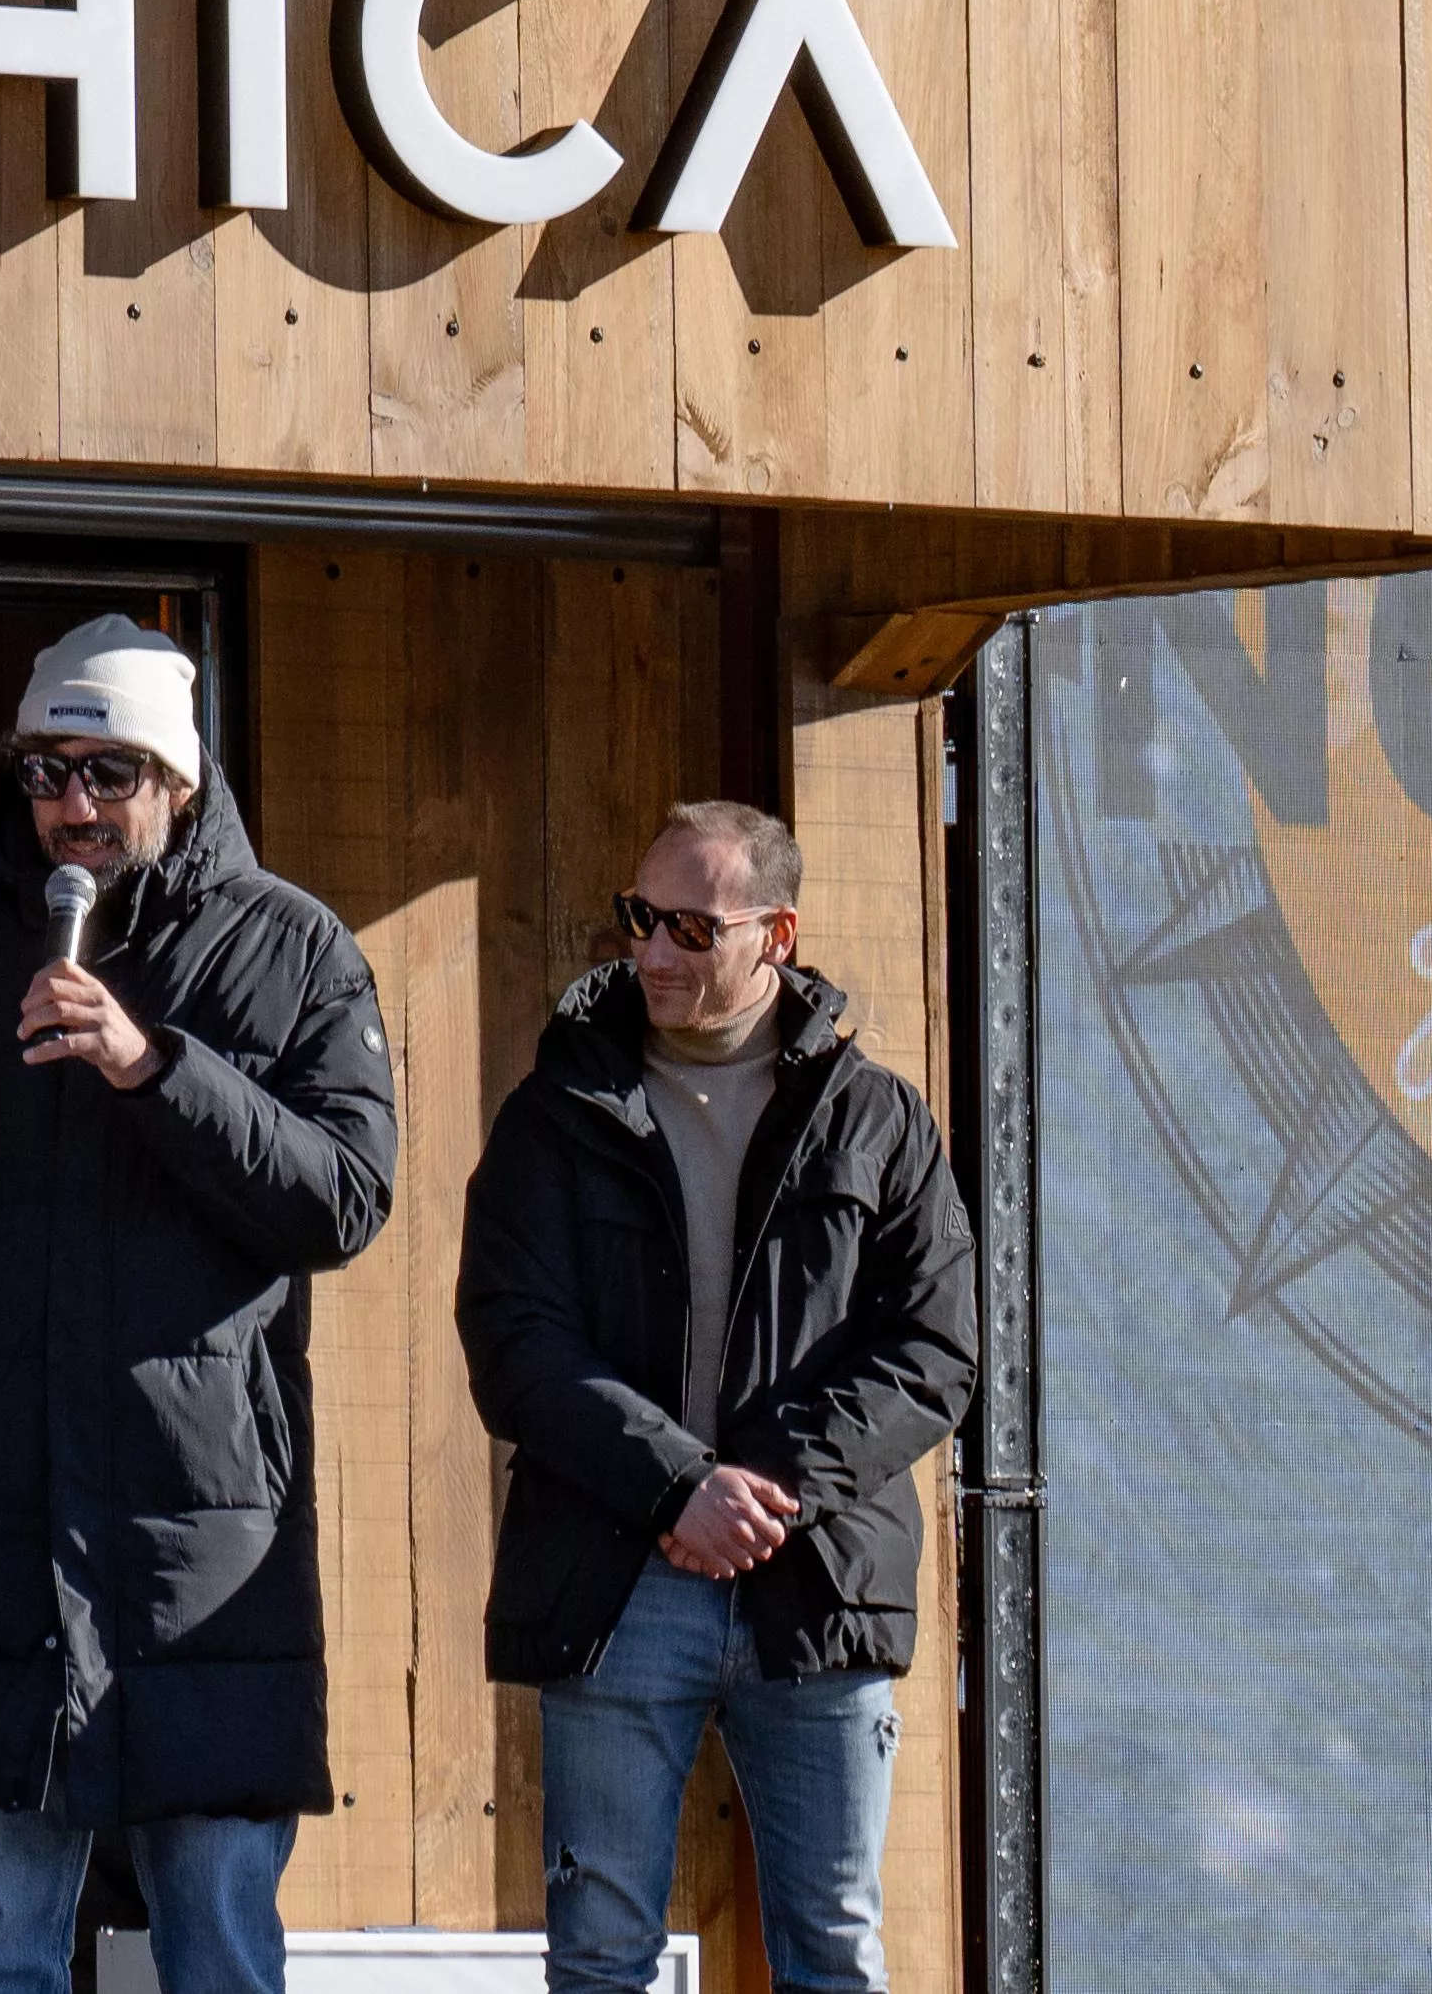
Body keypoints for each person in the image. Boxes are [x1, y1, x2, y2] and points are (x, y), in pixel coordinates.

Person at [0, 614, 399, 1994]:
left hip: (202, 1535)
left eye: (108, 773)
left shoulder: (296, 950)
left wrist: (157, 1069)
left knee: (215, 1948)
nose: (71, 805)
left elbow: (345, 1197)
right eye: (44, 771)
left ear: (180, 784)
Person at [456, 799, 977, 1994]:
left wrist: (771, 1484)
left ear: (774, 934)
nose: (649, 951)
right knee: (598, 1960)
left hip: (816, 1582)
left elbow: (936, 1346)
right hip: (613, 1576)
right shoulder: (554, 1114)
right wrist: (674, 1486)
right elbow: (512, 1339)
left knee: (833, 1951)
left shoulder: (874, 1116)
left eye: (689, 927)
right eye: (641, 916)